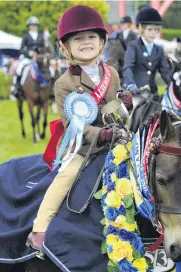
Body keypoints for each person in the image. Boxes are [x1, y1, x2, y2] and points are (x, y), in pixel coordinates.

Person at [27, 5, 133, 249]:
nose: (86, 42)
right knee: (67, 175)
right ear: (66, 46)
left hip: (118, 140)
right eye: (78, 38)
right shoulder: (64, 83)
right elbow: (73, 126)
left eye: (91, 37)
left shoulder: (112, 74)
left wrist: (126, 105)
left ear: (102, 41)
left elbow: (118, 116)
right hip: (83, 147)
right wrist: (101, 134)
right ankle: (39, 228)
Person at [123, 6, 171, 107]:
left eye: (156, 30)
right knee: (132, 118)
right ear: (141, 29)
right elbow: (128, 67)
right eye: (149, 29)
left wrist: (172, 85)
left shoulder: (159, 49)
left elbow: (165, 71)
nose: (153, 33)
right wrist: (131, 84)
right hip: (135, 92)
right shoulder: (133, 46)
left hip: (152, 93)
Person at [11, 16, 45, 97]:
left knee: (49, 69)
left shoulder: (41, 36)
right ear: (29, 26)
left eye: (35, 25)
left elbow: (43, 47)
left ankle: (51, 88)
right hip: (28, 58)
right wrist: (29, 52)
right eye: (32, 25)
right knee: (19, 69)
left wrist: (39, 51)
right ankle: (17, 87)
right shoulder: (25, 36)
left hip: (38, 58)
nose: (33, 26)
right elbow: (21, 49)